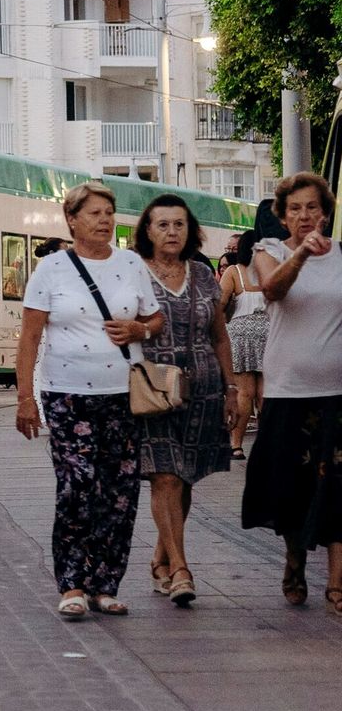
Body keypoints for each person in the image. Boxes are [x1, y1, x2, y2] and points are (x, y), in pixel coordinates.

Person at [14, 182, 163, 619]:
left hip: (123, 395)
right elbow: (30, 337)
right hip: (68, 396)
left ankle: (105, 584)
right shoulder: (52, 270)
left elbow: (154, 317)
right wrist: (26, 398)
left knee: (118, 493)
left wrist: (140, 331)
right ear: (72, 220)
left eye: (110, 212)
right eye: (95, 213)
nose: (105, 220)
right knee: (77, 487)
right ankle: (73, 584)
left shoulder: (131, 264)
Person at [133, 194, 241, 607]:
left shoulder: (201, 273)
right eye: (162, 224)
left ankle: (161, 559)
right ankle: (181, 568)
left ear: (189, 229)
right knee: (165, 476)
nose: (171, 231)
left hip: (205, 387)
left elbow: (219, 336)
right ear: (148, 230)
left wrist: (232, 388)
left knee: (187, 476)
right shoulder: (135, 272)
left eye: (178, 224)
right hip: (155, 387)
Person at [242, 172, 342, 615]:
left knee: (339, 486)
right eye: (295, 208)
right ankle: (295, 556)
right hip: (288, 389)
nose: (305, 216)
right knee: (291, 484)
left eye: (313, 208)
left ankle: (338, 582)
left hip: (337, 391)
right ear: (282, 216)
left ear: (326, 212)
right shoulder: (269, 252)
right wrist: (300, 254)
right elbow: (273, 289)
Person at [219, 230, 267, 459]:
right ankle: (269, 444)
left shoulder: (234, 272)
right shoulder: (270, 271)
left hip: (240, 335)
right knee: (265, 393)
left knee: (244, 393)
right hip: (269, 334)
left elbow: (219, 304)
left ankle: (236, 445)